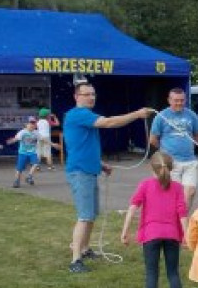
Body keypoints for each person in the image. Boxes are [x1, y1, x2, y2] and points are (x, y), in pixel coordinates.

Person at [64, 78, 153, 274]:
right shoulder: (79, 114)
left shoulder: (83, 116)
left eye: (93, 94)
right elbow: (109, 122)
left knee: (91, 215)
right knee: (85, 216)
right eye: (87, 94)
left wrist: (100, 164)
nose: (91, 97)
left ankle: (85, 250)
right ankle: (75, 259)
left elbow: (82, 145)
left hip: (88, 169)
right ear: (76, 97)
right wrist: (137, 114)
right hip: (80, 172)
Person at [120, 151, 189, 288]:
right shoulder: (178, 188)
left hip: (151, 235)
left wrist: (125, 231)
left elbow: (132, 208)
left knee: (152, 273)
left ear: (152, 168)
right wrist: (187, 236)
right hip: (172, 235)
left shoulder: (145, 185)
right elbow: (183, 215)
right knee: (173, 272)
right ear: (171, 169)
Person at [150, 87, 198, 208]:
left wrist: (188, 146)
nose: (179, 103)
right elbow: (153, 139)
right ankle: (174, 221)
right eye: (176, 100)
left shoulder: (191, 115)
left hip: (190, 161)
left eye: (182, 100)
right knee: (174, 194)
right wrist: (165, 151)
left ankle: (183, 220)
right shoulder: (161, 116)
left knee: (189, 192)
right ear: (169, 100)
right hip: (171, 163)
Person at [6, 116, 47, 188]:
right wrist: (12, 140)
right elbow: (16, 138)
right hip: (23, 153)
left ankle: (29, 176)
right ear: (26, 124)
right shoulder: (22, 132)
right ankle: (16, 181)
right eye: (31, 123)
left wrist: (53, 144)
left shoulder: (36, 133)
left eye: (34, 123)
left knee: (36, 163)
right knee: (19, 169)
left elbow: (43, 139)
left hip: (32, 152)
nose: (32, 125)